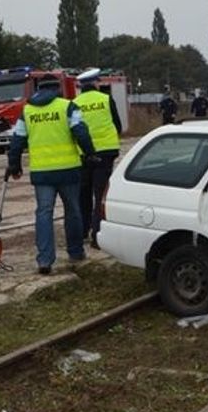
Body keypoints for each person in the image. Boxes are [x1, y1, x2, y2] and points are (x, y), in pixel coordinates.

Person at [7, 73, 95, 274]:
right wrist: (90, 153)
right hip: (68, 170)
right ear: (57, 89)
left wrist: (15, 164)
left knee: (44, 213)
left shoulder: (27, 110)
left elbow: (17, 140)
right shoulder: (67, 106)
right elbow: (80, 131)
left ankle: (45, 260)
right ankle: (75, 251)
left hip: (41, 173)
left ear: (39, 88)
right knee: (73, 211)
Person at [73, 68, 123, 249]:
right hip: (105, 153)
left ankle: (83, 230)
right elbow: (118, 124)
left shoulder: (74, 103)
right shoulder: (106, 99)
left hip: (83, 154)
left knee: (82, 194)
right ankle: (97, 235)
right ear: (96, 83)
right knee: (100, 194)